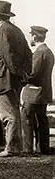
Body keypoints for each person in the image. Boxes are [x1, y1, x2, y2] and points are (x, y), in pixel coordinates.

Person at [0, 0, 32, 157]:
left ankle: (11, 148)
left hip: (4, 79)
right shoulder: (17, 30)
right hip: (13, 79)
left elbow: (7, 55)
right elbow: (28, 54)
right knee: (13, 112)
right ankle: (15, 147)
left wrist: (16, 73)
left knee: (8, 115)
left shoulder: (3, 31)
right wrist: (23, 74)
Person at [21, 26, 54, 155]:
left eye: (31, 36)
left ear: (34, 36)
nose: (30, 38)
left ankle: (27, 149)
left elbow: (33, 74)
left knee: (27, 117)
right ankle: (43, 148)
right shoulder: (49, 52)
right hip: (44, 92)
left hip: (34, 92)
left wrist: (21, 79)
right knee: (41, 119)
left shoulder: (39, 52)